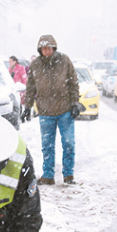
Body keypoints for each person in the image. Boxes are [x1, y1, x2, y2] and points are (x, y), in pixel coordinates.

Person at [23, 34, 80, 185]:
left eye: (49, 48)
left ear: (54, 48)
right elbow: (30, 87)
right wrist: (27, 106)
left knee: (68, 143)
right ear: (40, 50)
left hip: (65, 110)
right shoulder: (36, 65)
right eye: (43, 49)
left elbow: (73, 83)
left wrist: (75, 103)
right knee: (47, 145)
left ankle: (68, 175)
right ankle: (48, 175)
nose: (46, 51)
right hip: (45, 112)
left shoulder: (64, 60)